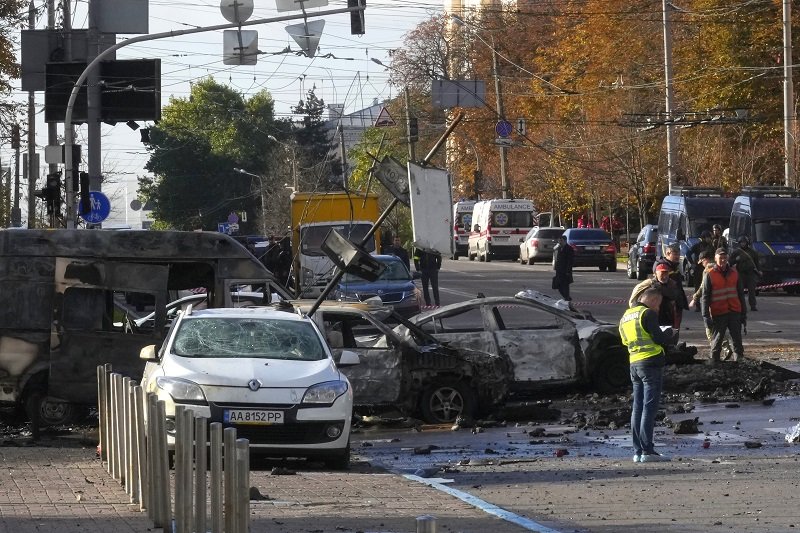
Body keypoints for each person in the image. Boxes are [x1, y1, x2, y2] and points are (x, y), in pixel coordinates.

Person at [619, 287, 675, 463]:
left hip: (634, 363)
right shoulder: (647, 314)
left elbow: (624, 341)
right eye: (658, 305)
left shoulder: (626, 316)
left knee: (637, 408)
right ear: (653, 300)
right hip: (650, 363)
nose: (658, 309)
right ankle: (647, 450)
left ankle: (637, 451)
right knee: (649, 407)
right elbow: (658, 338)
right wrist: (669, 334)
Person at [701, 248, 747, 364]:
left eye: (725, 257)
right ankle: (714, 362)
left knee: (737, 340)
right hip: (719, 312)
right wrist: (706, 316)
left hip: (734, 311)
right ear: (715, 259)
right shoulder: (710, 274)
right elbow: (705, 297)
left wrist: (743, 313)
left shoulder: (735, 273)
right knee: (717, 340)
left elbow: (741, 294)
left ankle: (739, 362)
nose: (723, 260)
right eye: (720, 258)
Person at [690, 251, 734, 359]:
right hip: (721, 304)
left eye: (702, 262)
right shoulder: (719, 268)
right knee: (718, 328)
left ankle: (717, 351)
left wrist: (695, 298)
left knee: (710, 330)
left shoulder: (708, 270)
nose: (702, 264)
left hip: (711, 304)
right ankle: (725, 348)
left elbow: (703, 287)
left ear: (705, 259)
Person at [652, 243, 689, 329]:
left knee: (674, 330)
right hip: (666, 307)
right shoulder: (662, 266)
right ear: (668, 254)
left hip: (675, 304)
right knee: (669, 331)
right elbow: (659, 286)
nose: (677, 257)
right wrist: (672, 298)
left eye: (678, 254)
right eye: (675, 254)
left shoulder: (673, 266)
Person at [729, 236, 761, 311]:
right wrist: (736, 259)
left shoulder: (752, 252)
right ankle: (740, 305)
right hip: (741, 273)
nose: (743, 244)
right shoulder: (736, 252)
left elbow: (757, 262)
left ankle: (753, 305)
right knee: (740, 291)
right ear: (739, 243)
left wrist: (759, 270)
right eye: (741, 242)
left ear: (747, 243)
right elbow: (730, 262)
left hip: (751, 273)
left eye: (744, 242)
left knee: (752, 291)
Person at [552, 235, 575, 301]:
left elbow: (570, 261)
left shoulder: (569, 249)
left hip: (565, 271)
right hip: (559, 271)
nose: (560, 242)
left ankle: (567, 299)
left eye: (561, 240)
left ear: (565, 241)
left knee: (565, 286)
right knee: (558, 286)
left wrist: (568, 271)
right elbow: (557, 258)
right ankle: (567, 298)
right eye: (559, 241)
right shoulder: (559, 248)